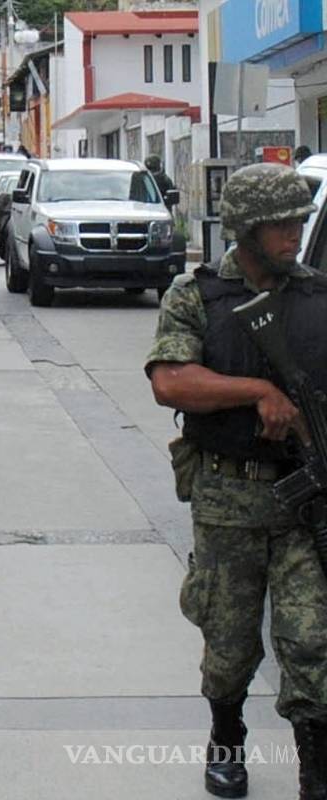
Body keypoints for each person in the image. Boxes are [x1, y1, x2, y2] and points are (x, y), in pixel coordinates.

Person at [146, 163, 327, 800]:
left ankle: (316, 768)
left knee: (312, 639)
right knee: (228, 638)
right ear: (246, 230)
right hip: (228, 495)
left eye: (299, 222)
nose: (294, 236)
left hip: (308, 498)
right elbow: (170, 380)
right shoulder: (195, 296)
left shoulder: (318, 296)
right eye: (280, 225)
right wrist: (258, 392)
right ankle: (227, 741)